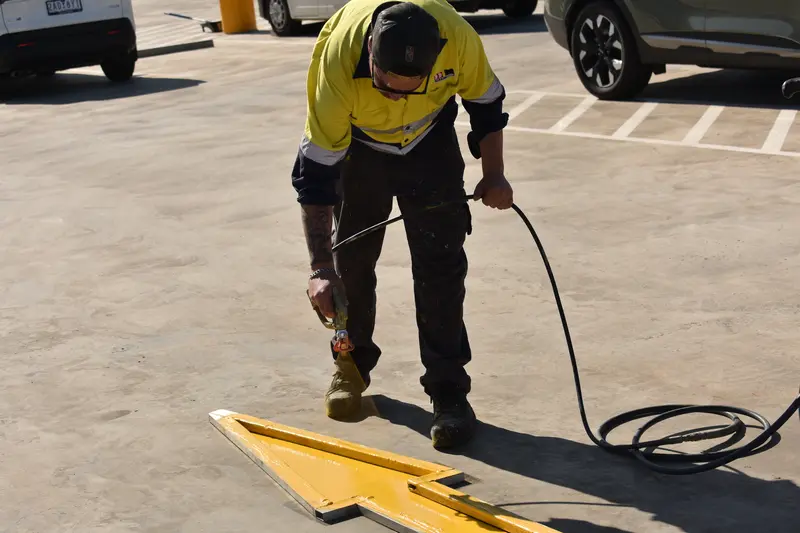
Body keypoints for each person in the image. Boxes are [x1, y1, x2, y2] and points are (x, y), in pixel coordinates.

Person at [291, 0, 513, 449]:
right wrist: (320, 268)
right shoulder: (337, 64)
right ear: (370, 55)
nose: (395, 98)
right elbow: (315, 176)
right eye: (386, 87)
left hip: (430, 142)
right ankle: (351, 365)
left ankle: (449, 392)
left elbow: (486, 104)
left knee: (441, 267)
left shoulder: (457, 39)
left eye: (408, 89)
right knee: (351, 263)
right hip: (360, 147)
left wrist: (494, 174)